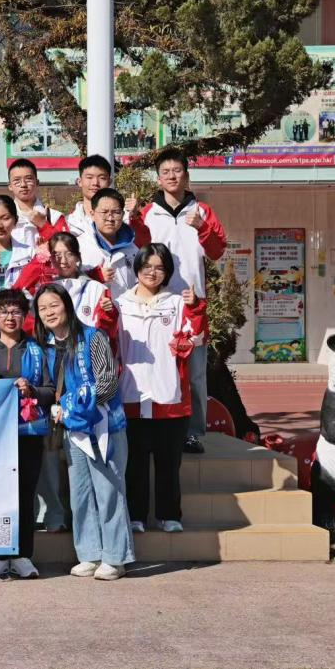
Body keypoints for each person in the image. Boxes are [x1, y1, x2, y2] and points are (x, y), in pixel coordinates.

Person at [34, 283, 133, 581]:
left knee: (109, 491)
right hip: (73, 431)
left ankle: (115, 558)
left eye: (54, 305)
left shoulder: (93, 337)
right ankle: (89, 553)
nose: (49, 312)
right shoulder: (45, 346)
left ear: (67, 305)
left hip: (103, 426)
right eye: (42, 308)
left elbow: (107, 383)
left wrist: (73, 407)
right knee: (80, 494)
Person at [132, 148, 227, 454]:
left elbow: (217, 251)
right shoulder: (148, 213)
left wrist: (202, 227)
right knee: (155, 368)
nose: (172, 176)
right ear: (158, 179)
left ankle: (193, 433)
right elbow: (137, 251)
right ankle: (155, 429)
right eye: (166, 172)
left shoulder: (202, 211)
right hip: (156, 304)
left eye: (177, 171)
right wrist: (132, 219)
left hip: (192, 305)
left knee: (195, 375)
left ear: (187, 175)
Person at [116, 243, 206, 535]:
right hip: (131, 395)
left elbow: (195, 336)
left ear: (167, 272)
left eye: (159, 267)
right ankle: (136, 516)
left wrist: (195, 309)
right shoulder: (120, 304)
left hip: (169, 397)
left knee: (169, 463)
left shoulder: (178, 303)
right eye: (147, 266)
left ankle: (169, 515)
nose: (152, 272)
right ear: (137, 268)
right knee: (135, 463)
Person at [0, 289, 53, 580]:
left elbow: (50, 390)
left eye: (16, 311)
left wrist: (32, 390)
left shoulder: (37, 350)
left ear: (25, 315)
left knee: (25, 493)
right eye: (3, 311)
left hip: (27, 431)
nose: (10, 317)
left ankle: (23, 554)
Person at [47, 232, 119, 346]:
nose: (63, 261)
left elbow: (108, 333)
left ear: (78, 256)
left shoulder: (97, 289)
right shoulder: (45, 291)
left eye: (69, 254)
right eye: (57, 254)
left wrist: (109, 313)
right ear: (50, 257)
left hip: (87, 352)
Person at [78, 188, 141, 301]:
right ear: (92, 214)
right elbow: (70, 281)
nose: (110, 218)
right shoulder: (80, 246)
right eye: (104, 212)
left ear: (123, 214)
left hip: (125, 310)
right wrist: (92, 276)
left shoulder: (133, 249)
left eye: (116, 212)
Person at [6, 159, 65, 250]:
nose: (23, 185)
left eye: (28, 179)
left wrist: (44, 225)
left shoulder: (54, 217)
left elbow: (66, 249)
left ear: (37, 182)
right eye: (17, 180)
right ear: (10, 186)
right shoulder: (2, 217)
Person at [66, 155, 118, 236]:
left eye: (102, 178)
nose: (95, 183)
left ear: (109, 182)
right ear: (79, 181)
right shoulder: (68, 223)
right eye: (89, 177)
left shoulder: (122, 219)